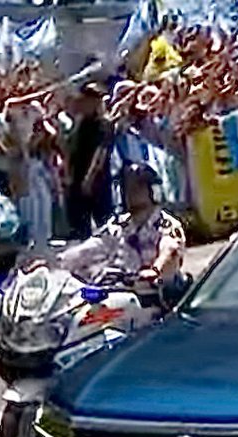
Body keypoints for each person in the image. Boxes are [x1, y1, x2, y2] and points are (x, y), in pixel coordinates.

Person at [57, 163, 189, 310]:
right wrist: (57, 262)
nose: (131, 192)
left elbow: (170, 249)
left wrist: (155, 270)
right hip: (121, 294)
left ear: (153, 190)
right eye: (127, 187)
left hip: (158, 298)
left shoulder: (167, 223)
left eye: (137, 187)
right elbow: (90, 248)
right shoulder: (119, 225)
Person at [65, 82, 114, 240]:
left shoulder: (104, 124)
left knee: (103, 220)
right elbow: (71, 149)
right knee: (79, 223)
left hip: (96, 179)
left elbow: (101, 153)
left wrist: (90, 178)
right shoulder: (80, 123)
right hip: (77, 176)